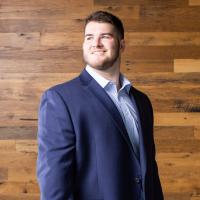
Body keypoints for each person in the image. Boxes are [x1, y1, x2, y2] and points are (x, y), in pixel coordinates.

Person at [37, 10, 163, 200]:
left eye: (105, 36)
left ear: (122, 45)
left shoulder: (141, 101)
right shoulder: (59, 99)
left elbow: (149, 169)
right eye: (89, 37)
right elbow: (54, 181)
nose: (96, 44)